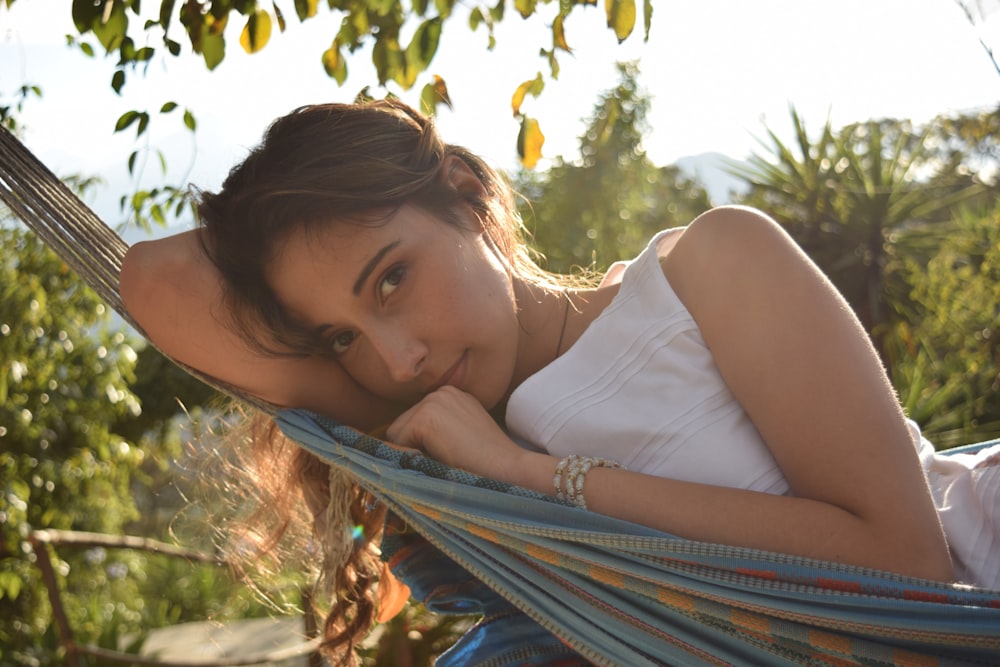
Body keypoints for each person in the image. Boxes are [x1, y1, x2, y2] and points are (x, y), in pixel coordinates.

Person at [119, 99, 998, 662]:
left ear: (465, 193)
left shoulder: (711, 269)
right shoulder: (445, 409)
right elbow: (155, 286)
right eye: (342, 335)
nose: (396, 360)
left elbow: (906, 566)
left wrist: (531, 476)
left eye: (392, 277)